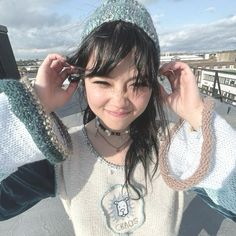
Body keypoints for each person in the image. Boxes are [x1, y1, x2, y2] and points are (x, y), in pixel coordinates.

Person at [0, 0, 235, 235]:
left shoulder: (175, 146)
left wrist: (198, 115)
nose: (120, 99)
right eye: (103, 82)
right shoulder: (62, 154)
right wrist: (30, 111)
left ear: (153, 84)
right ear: (82, 80)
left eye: (138, 83)